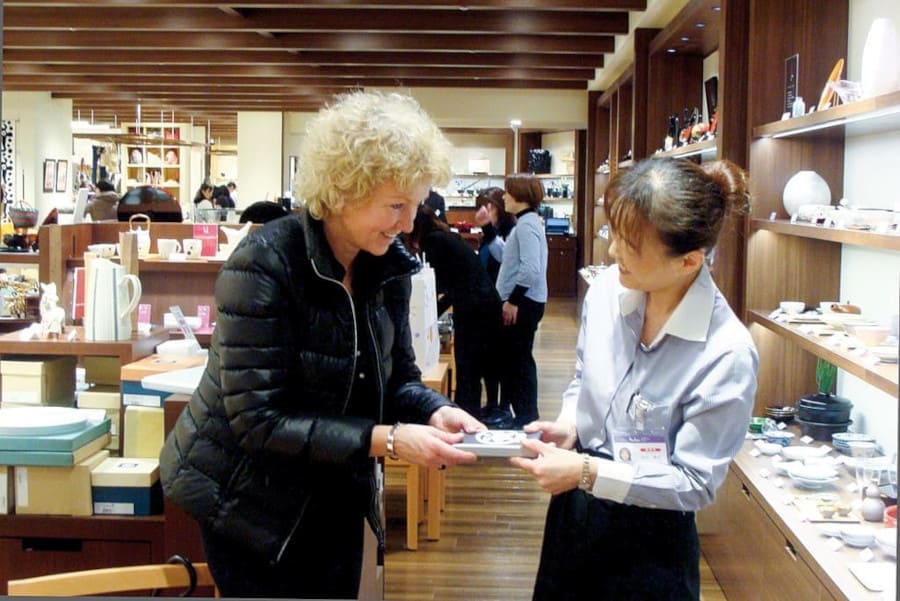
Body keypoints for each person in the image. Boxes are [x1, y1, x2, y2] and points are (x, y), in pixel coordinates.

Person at [159, 91, 484, 600]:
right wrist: (391, 441)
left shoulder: (386, 265)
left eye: (414, 206)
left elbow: (396, 377)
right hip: (248, 503)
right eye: (396, 206)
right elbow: (258, 421)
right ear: (343, 189)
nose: (407, 223)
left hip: (332, 486)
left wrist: (435, 410)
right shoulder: (266, 263)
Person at [509, 157, 759, 601]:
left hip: (652, 534)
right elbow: (585, 374)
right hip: (576, 512)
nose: (611, 253)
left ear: (689, 261)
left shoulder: (726, 353)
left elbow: (694, 483)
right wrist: (571, 423)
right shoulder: (608, 291)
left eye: (630, 244)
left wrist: (588, 471)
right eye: (614, 235)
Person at [403, 204, 502, 417]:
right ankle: (475, 410)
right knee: (479, 363)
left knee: (468, 365)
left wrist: (428, 312)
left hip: (475, 307)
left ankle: (467, 413)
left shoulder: (434, 242)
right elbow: (450, 284)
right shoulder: (443, 236)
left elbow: (437, 285)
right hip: (482, 303)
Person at [495, 173, 548, 428]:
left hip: (524, 303)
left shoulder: (527, 225)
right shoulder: (527, 223)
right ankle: (520, 413)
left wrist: (513, 300)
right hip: (525, 301)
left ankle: (526, 416)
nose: (504, 196)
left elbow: (530, 268)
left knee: (519, 360)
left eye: (508, 192)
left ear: (520, 195)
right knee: (516, 358)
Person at [472, 186, 516, 424]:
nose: (484, 210)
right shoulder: (492, 232)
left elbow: (503, 257)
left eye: (488, 206)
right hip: (488, 304)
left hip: (504, 303)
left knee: (503, 358)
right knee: (488, 358)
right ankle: (491, 404)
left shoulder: (511, 231)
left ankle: (504, 406)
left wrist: (487, 227)